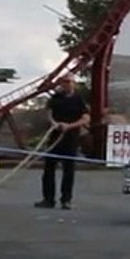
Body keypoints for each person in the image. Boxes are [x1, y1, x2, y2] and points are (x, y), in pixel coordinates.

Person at [35, 74, 89, 210]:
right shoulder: (55, 98)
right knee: (48, 170)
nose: (66, 84)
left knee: (68, 171)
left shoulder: (78, 99)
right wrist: (54, 123)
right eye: (64, 82)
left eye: (69, 82)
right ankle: (48, 199)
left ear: (73, 83)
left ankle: (66, 200)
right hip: (54, 137)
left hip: (71, 139)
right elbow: (49, 113)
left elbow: (85, 118)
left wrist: (69, 126)